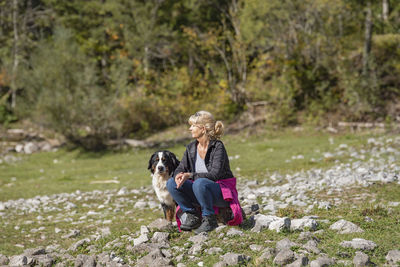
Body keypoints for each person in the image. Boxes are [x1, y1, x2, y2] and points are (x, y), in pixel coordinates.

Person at [166, 111, 243, 234]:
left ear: (202, 129)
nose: (190, 128)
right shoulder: (191, 147)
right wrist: (178, 176)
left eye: (193, 126)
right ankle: (192, 215)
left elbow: (214, 175)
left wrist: (190, 175)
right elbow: (181, 168)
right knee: (171, 183)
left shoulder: (218, 147)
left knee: (199, 182)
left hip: (220, 192)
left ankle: (209, 219)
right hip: (200, 190)